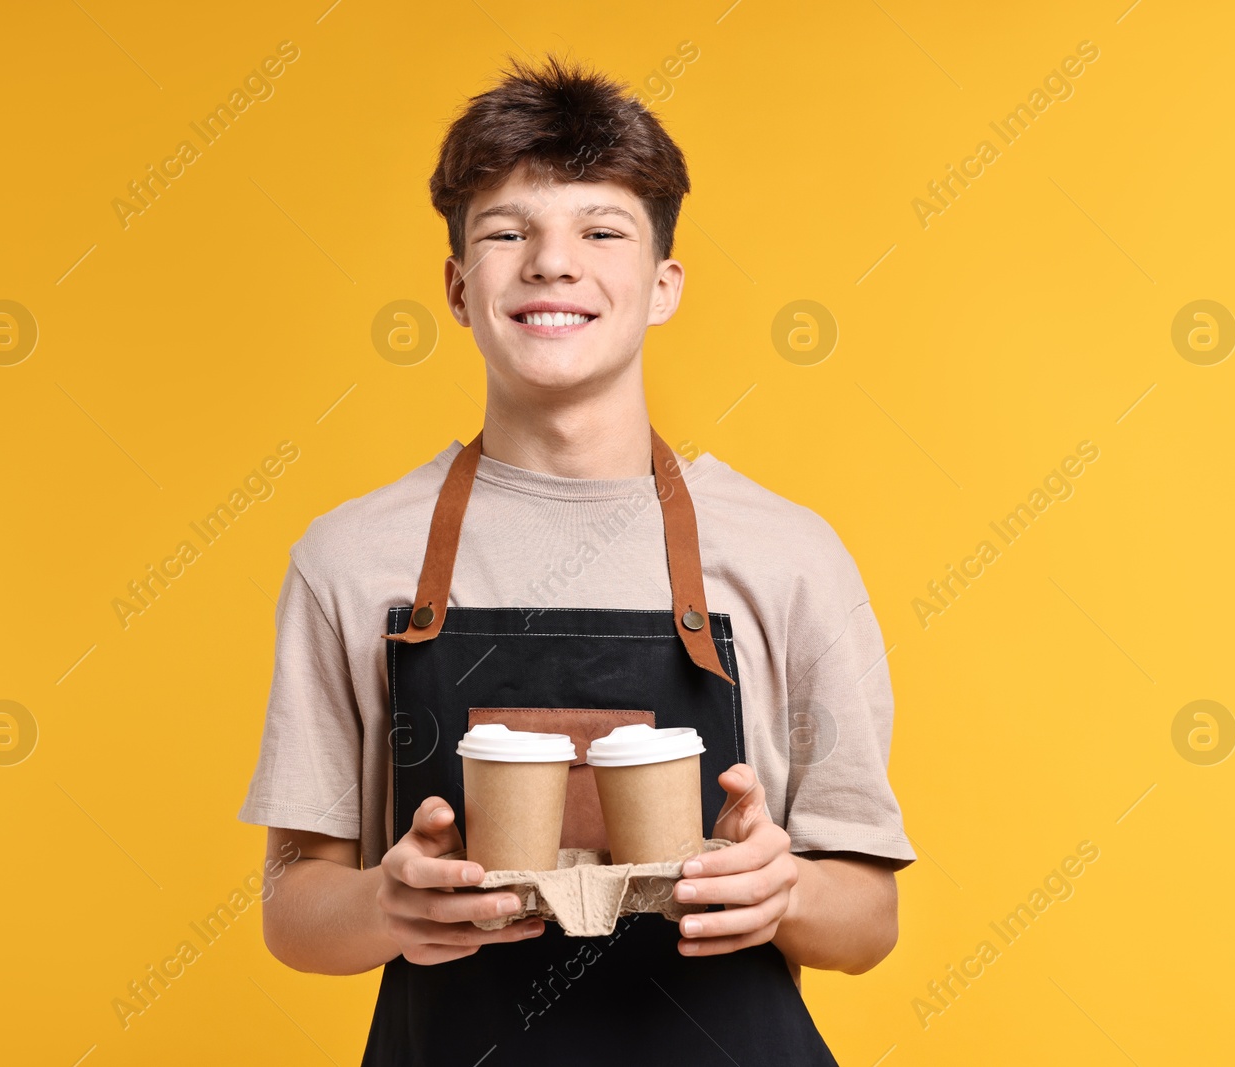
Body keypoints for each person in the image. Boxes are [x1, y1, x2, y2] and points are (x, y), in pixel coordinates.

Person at [237, 52, 916, 1065]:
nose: (554, 263)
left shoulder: (791, 556)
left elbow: (867, 919)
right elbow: (293, 902)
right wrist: (387, 903)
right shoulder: (348, 558)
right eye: (507, 233)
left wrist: (788, 889)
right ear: (460, 287)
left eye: (603, 231)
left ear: (661, 284)